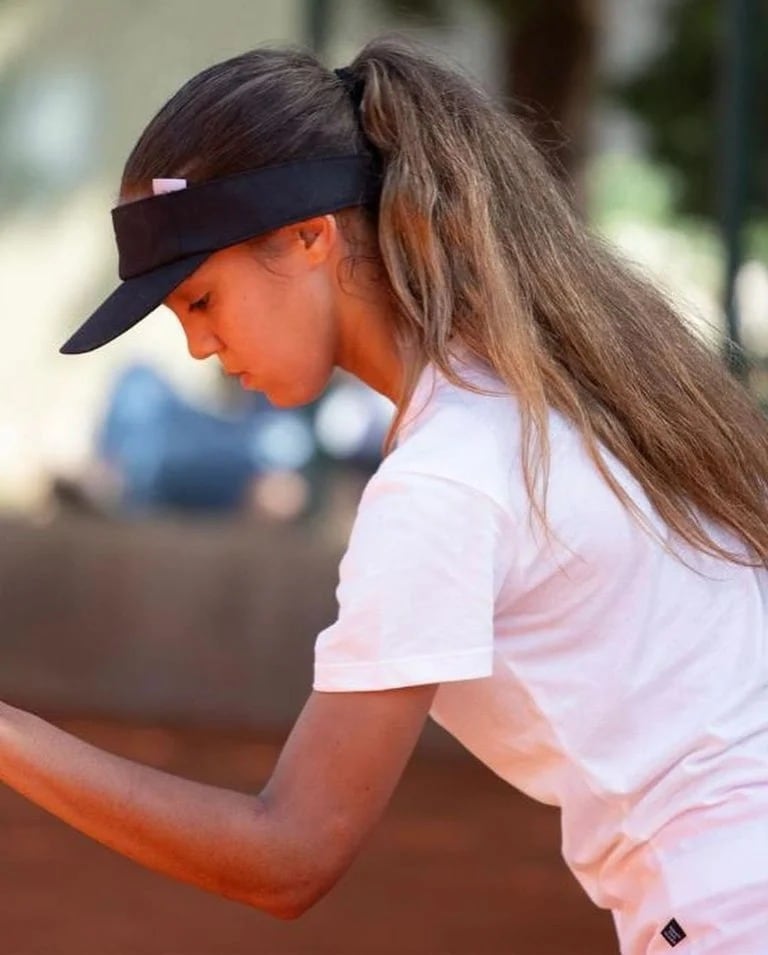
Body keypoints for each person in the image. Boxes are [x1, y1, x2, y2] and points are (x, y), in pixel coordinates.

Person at [4, 36, 767, 954]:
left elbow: (287, 854)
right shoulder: (557, 385)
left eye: (202, 299)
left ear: (310, 236)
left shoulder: (444, 478)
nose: (199, 347)